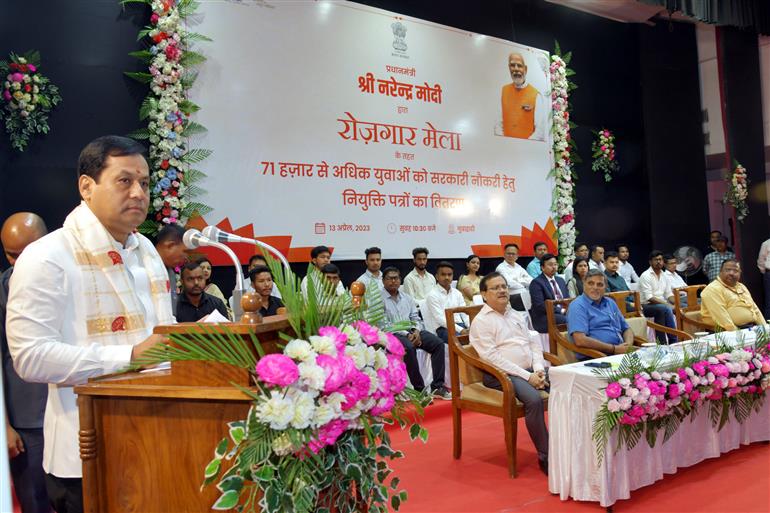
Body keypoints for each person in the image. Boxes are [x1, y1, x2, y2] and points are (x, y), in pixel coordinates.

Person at [6, 135, 175, 513]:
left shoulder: (145, 250)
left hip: (160, 441)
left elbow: (163, 332)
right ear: (87, 185)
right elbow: (30, 358)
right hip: (86, 458)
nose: (138, 192)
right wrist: (129, 356)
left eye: (145, 183)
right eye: (124, 180)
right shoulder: (47, 257)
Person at [469, 272, 549, 475]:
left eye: (504, 286)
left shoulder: (516, 314)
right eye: (495, 288)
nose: (502, 290)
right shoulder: (481, 321)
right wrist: (527, 376)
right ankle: (546, 455)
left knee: (569, 381)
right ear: (484, 294)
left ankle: (571, 446)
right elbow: (492, 358)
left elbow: (534, 342)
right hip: (500, 375)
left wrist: (538, 369)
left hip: (530, 370)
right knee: (533, 400)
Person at [1, 213, 50, 513]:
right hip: (26, 421)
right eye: (11, 255)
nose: (19, 263)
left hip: (74, 410)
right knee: (35, 501)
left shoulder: (72, 281)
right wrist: (4, 426)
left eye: (26, 253)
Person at [380, 267, 450, 400]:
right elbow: (385, 325)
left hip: (412, 331)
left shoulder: (407, 297)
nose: (393, 281)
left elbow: (415, 317)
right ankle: (418, 390)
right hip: (392, 334)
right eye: (390, 278)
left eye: (396, 278)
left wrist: (416, 331)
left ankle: (437, 387)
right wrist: (407, 334)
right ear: (383, 281)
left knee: (438, 344)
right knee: (409, 348)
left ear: (400, 280)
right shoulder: (378, 300)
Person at [567, 269, 635, 360]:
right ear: (584, 284)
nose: (595, 287)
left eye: (600, 285)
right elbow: (580, 340)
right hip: (596, 357)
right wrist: (614, 349)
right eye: (591, 283)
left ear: (605, 287)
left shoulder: (610, 302)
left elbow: (627, 328)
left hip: (620, 354)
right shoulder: (577, 306)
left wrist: (628, 346)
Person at [701, 259, 766, 331]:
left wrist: (765, 328)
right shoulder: (713, 289)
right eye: (728, 270)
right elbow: (722, 318)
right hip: (726, 333)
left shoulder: (741, 286)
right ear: (720, 272)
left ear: (740, 273)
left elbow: (755, 309)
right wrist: (738, 334)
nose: (731, 273)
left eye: (735, 271)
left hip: (750, 329)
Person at [500, 52, 546, 141]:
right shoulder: (503, 91)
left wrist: (523, 145)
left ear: (525, 69)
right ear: (509, 68)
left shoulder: (536, 95)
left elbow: (540, 131)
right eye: (513, 65)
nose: (516, 69)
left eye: (519, 66)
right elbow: (498, 124)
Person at [423, 262, 468, 344]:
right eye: (443, 274)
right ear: (437, 276)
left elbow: (464, 312)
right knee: (461, 341)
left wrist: (469, 326)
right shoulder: (432, 295)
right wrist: (461, 330)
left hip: (460, 325)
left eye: (449, 274)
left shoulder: (457, 293)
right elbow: (440, 319)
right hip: (443, 328)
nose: (447, 277)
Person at [638, 250, 678, 343]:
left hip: (660, 304)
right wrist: (668, 304)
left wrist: (677, 303)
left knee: (680, 306)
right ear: (650, 262)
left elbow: (668, 294)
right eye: (656, 260)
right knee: (664, 308)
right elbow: (649, 297)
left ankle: (682, 337)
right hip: (645, 305)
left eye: (660, 259)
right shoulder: (646, 275)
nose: (659, 262)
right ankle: (673, 340)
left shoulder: (664, 275)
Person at [529, 253, 568, 333]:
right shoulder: (536, 283)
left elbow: (567, 298)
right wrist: (562, 311)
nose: (554, 267)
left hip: (563, 312)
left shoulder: (560, 280)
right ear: (542, 268)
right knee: (570, 319)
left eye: (555, 264)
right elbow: (540, 306)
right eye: (550, 265)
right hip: (545, 316)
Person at [154, 223, 187, 312]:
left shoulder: (170, 272)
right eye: (184, 251)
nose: (186, 257)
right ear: (170, 245)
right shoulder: (143, 268)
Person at [495, 243, 532, 311]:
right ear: (504, 255)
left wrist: (517, 280)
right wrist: (523, 283)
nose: (511, 256)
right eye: (508, 253)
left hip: (524, 294)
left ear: (517, 256)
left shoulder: (518, 266)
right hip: (511, 296)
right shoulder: (500, 268)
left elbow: (530, 280)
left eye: (513, 254)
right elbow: (510, 283)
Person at [758, 237, 770, 317]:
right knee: (769, 301)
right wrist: (765, 272)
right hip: (769, 274)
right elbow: (761, 260)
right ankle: (768, 326)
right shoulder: (766, 243)